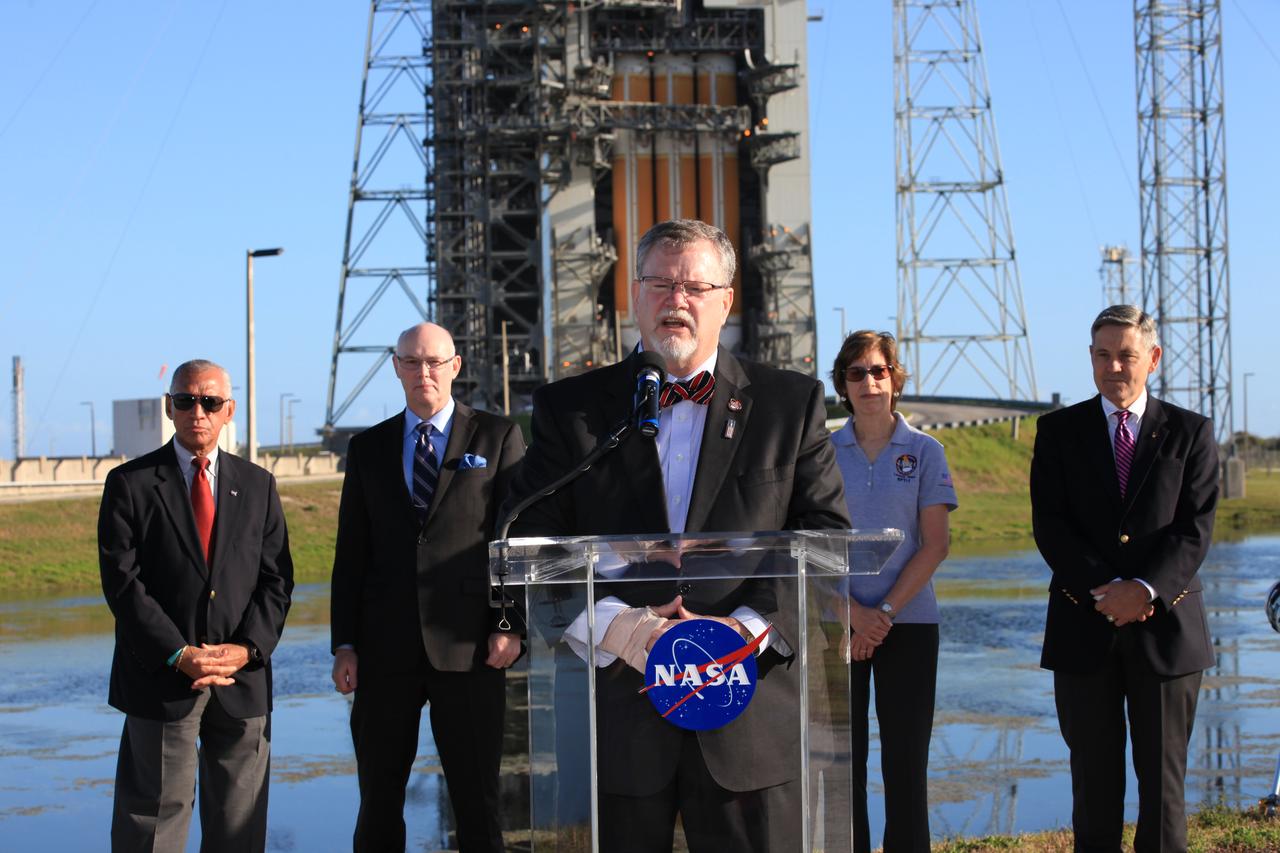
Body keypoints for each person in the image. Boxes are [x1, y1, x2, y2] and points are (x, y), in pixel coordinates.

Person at [503, 219, 850, 853]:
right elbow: (531, 535)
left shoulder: (789, 403)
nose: (676, 300)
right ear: (634, 296)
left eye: (694, 284)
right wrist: (613, 625)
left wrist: (740, 634)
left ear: (726, 299)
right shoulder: (571, 410)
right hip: (620, 711)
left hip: (749, 715)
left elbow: (824, 537)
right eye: (660, 283)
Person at [330, 322, 526, 853]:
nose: (424, 373)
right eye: (412, 362)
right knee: (378, 800)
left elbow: (511, 544)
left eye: (435, 362)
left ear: (455, 366)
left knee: (477, 800)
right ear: (396, 368)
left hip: (469, 650)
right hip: (382, 652)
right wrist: (344, 643)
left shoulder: (497, 437)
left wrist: (509, 626)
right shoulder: (367, 448)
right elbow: (351, 555)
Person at [1030, 305, 1218, 852]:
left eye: (1127, 355)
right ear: (1091, 360)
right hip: (1082, 626)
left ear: (1152, 359)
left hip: (1167, 631)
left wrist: (1144, 592)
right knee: (1093, 784)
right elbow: (1051, 524)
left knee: (1163, 790)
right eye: (1104, 355)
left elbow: (1195, 529)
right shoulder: (1058, 431)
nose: (1115, 366)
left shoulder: (1190, 432)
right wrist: (1107, 594)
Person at [99, 359, 294, 853]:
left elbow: (277, 581)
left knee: (240, 829)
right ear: (170, 407)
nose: (197, 412)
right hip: (162, 679)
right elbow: (123, 584)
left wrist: (246, 649)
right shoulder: (130, 484)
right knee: (153, 827)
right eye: (185, 400)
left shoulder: (258, 485)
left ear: (228, 411)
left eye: (209, 402)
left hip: (240, 683)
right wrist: (179, 653)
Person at [829, 330, 956, 852]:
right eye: (856, 373)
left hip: (909, 624)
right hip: (838, 624)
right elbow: (804, 548)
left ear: (895, 380)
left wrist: (881, 614)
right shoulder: (820, 452)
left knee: (906, 761)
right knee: (843, 763)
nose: (869, 382)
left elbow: (935, 544)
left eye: (878, 371)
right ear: (842, 384)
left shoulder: (926, 451)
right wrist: (851, 615)